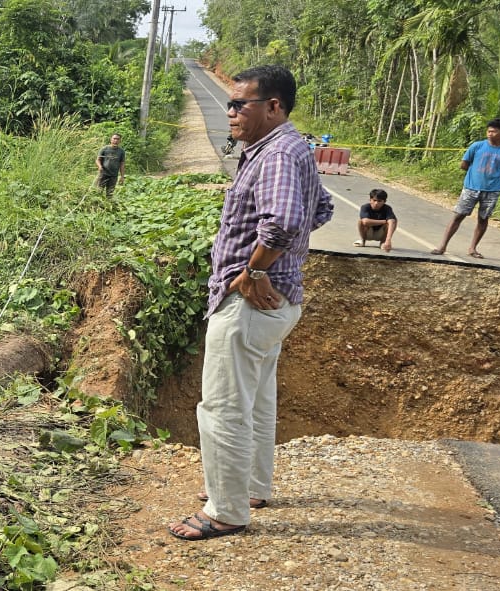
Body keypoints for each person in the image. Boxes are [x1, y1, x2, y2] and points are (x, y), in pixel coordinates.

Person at [168, 65, 332, 541]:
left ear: (274, 106)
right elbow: (320, 210)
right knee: (257, 399)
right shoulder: (285, 148)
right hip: (276, 301)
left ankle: (226, 510)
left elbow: (281, 222)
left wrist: (257, 270)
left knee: (222, 406)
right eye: (231, 102)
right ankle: (254, 486)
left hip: (251, 301)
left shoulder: (277, 153)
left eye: (241, 103)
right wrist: (282, 262)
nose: (231, 111)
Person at [431, 118, 500, 259]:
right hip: (471, 187)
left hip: (492, 190)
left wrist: (494, 180)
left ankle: (472, 248)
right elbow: (464, 164)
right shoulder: (477, 146)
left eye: (494, 131)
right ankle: (442, 246)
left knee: (483, 218)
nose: (490, 134)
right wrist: (474, 175)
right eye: (488, 131)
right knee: (458, 215)